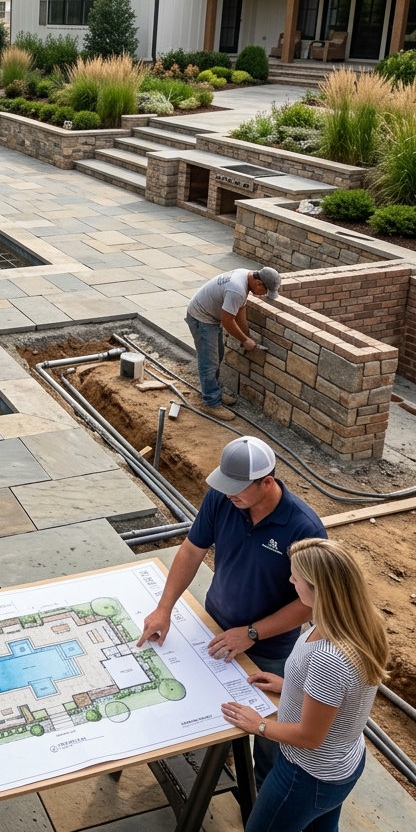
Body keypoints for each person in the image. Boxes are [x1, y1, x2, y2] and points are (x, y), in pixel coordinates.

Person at [137, 436, 326, 784]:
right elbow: (192, 550)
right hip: (213, 627)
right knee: (209, 711)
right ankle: (214, 760)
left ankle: (261, 800)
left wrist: (252, 633)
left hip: (268, 650)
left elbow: (310, 603)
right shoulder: (222, 500)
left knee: (271, 738)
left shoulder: (304, 529)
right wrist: (164, 608)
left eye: (237, 488)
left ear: (267, 482)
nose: (228, 495)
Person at [221, 538, 388, 832]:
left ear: (318, 589)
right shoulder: (357, 625)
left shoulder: (330, 658)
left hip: (306, 773)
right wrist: (291, 686)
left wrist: (258, 725)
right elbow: (341, 696)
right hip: (342, 765)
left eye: (295, 577)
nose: (290, 580)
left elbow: (309, 736)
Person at [185, 267, 282, 421]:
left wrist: (247, 337)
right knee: (209, 362)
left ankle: (213, 390)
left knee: (218, 355)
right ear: (259, 284)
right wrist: (244, 340)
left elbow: (240, 314)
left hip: (209, 318)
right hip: (201, 319)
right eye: (265, 291)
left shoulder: (245, 278)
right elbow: (227, 321)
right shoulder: (237, 289)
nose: (264, 295)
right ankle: (211, 402)